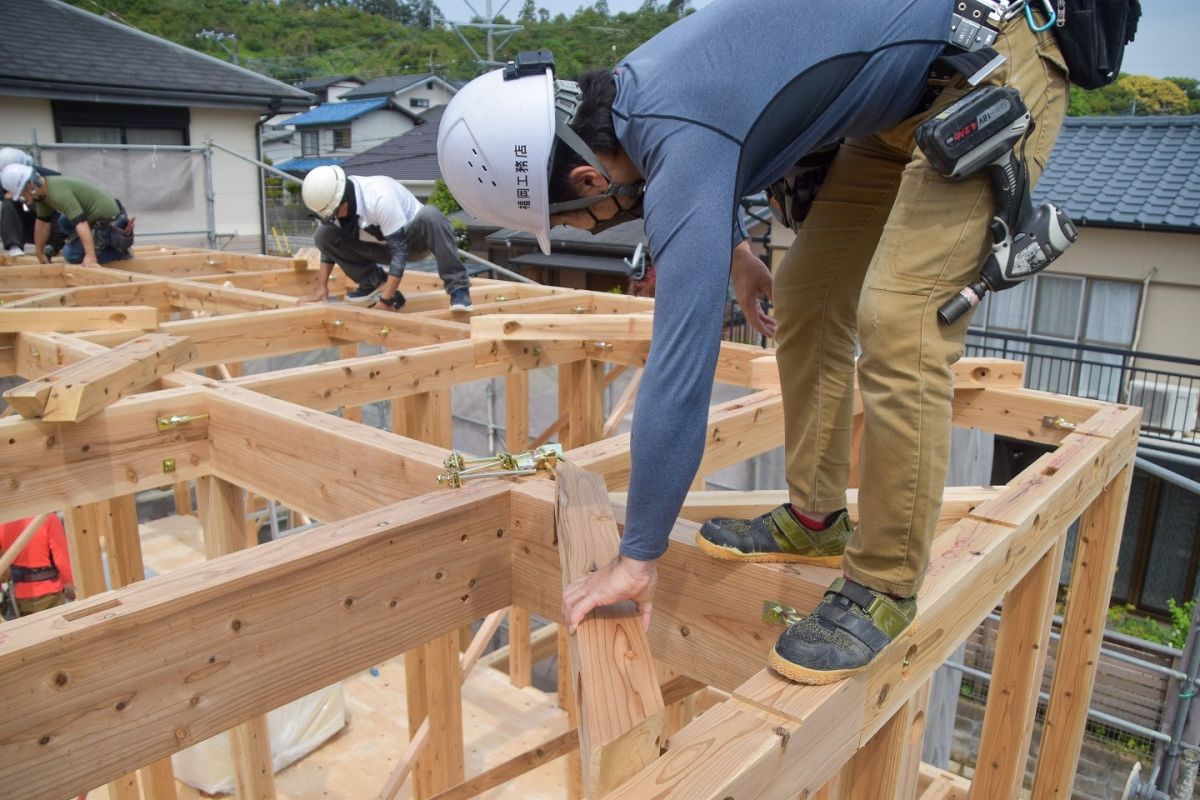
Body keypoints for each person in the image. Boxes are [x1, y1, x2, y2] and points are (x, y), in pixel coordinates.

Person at [438, 0, 1068, 684]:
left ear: (589, 179)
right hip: (895, 102)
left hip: (992, 64)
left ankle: (885, 586)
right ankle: (816, 518)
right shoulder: (636, 96)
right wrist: (739, 252)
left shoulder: (676, 131)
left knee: (899, 320)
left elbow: (681, 371)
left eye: (582, 222)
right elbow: (725, 137)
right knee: (807, 296)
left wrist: (638, 555)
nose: (595, 231)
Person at [300, 165, 473, 312]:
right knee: (323, 234)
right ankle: (373, 282)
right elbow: (328, 248)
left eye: (334, 214)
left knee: (431, 215)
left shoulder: (379, 198)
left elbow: (400, 251)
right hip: (379, 246)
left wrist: (386, 300)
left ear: (342, 201)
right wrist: (321, 287)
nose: (334, 218)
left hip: (412, 242)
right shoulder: (334, 202)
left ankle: (458, 289)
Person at [0, 163, 134, 268]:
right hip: (99, 220)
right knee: (63, 221)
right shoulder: (43, 193)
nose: (27, 200)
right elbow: (42, 224)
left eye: (24, 195)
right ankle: (91, 245)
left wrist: (90, 256)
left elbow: (80, 222)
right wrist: (39, 253)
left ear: (30, 187)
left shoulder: (57, 194)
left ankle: (118, 254)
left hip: (113, 226)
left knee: (71, 255)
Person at [1, 514, 75, 618]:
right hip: (49, 595)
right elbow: (63, 563)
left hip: (19, 597)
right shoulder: (48, 517)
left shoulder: (4, 522)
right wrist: (72, 586)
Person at [0, 147, 64, 258]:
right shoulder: (3, 178)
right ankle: (14, 245)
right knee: (8, 203)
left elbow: (58, 185)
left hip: (47, 226)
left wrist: (35, 196)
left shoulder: (43, 175)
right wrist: (19, 196)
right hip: (25, 226)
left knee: (41, 203)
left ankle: (53, 246)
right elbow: (6, 196)